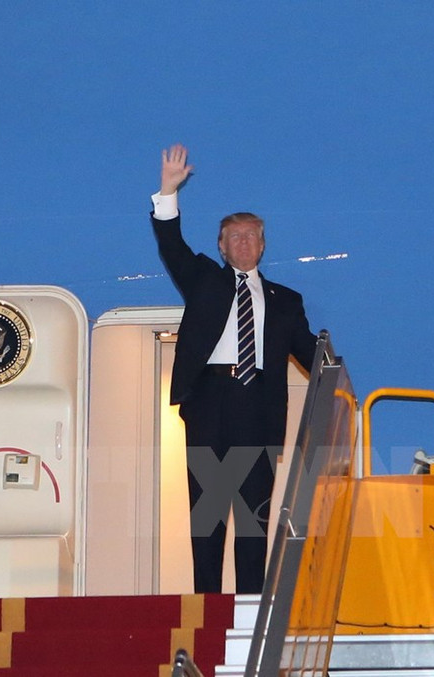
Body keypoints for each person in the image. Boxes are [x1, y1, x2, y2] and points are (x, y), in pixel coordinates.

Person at [151, 143, 318, 594]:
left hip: (259, 408)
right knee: (207, 514)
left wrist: (338, 381)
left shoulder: (287, 301)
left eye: (252, 236)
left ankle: (249, 609)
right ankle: (207, 605)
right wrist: (169, 189)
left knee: (253, 518)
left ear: (263, 245)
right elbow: (171, 244)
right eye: (234, 237)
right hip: (209, 403)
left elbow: (313, 356)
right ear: (221, 247)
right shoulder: (204, 279)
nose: (244, 242)